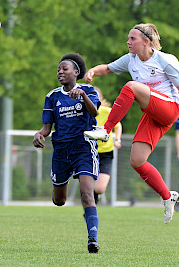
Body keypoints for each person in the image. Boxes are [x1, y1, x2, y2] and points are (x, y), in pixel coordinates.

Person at [83, 23, 179, 224]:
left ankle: (105, 130)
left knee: (131, 87)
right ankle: (168, 196)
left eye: (132, 39)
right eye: (128, 38)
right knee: (137, 160)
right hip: (152, 113)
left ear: (146, 42)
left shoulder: (166, 60)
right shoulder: (130, 60)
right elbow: (107, 68)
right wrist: (93, 71)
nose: (128, 42)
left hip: (169, 109)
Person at [33, 53, 102, 253]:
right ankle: (58, 187)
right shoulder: (52, 96)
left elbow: (95, 113)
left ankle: (93, 240)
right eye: (58, 69)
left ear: (76, 72)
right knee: (59, 201)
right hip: (61, 150)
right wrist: (39, 134)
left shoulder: (88, 90)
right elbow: (47, 127)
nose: (60, 72)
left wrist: (82, 95)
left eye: (64, 69)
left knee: (87, 193)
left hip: (83, 148)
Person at [93, 87, 122, 205]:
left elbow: (118, 125)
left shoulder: (107, 112)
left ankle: (93, 197)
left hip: (106, 153)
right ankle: (89, 206)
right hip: (88, 153)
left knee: (100, 189)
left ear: (100, 99)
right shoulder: (82, 114)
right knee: (86, 185)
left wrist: (118, 139)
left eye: (96, 97)